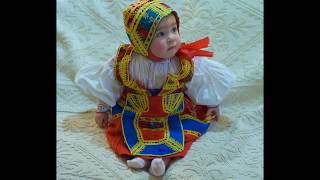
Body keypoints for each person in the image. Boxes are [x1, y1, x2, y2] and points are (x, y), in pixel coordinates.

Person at [75, 0, 235, 176]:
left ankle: (162, 161)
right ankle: (140, 157)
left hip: (172, 111)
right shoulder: (125, 61)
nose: (171, 38)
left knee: (176, 132)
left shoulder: (183, 61)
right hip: (136, 110)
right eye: (160, 33)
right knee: (127, 129)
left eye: (174, 29)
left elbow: (201, 83)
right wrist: (102, 108)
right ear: (141, 40)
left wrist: (213, 102)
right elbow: (109, 84)